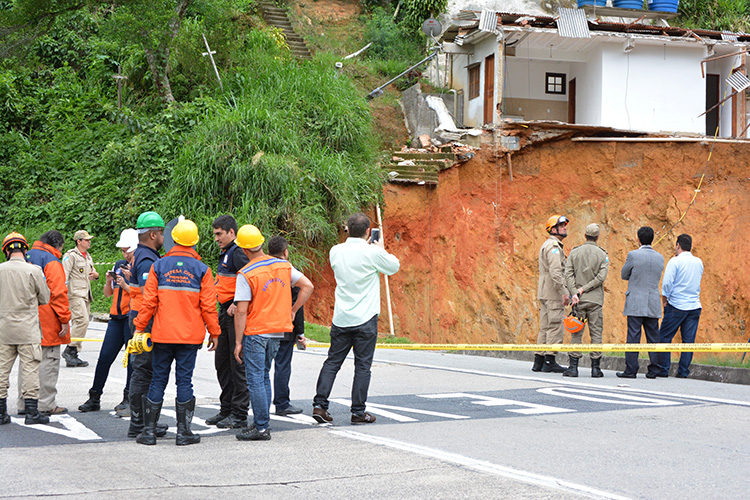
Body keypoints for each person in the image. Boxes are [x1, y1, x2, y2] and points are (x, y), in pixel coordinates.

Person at [134, 219, 220, 446]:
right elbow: (209, 306)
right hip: (189, 337)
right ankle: (184, 433)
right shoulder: (203, 270)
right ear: (194, 242)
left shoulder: (159, 266)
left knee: (158, 380)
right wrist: (214, 332)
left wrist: (139, 327)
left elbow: (149, 301)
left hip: (162, 335)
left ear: (174, 239)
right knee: (185, 381)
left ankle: (149, 432)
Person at [312, 213, 399, 425]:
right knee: (362, 367)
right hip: (366, 318)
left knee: (332, 362)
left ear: (347, 230)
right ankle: (358, 412)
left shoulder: (335, 251)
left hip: (342, 317)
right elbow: (393, 266)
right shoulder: (372, 253)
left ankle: (319, 406)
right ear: (368, 231)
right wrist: (379, 249)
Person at [233, 225, 314, 441]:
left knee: (256, 379)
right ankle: (262, 422)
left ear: (243, 250)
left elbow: (241, 312)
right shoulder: (283, 266)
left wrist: (238, 342)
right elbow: (308, 286)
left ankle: (261, 427)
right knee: (264, 375)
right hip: (278, 331)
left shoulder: (246, 273)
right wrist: (294, 310)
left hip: (256, 331)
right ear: (261, 243)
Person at [79, 229, 138, 414]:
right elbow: (107, 294)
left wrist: (127, 284)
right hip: (115, 319)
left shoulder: (141, 266)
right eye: (122, 250)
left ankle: (128, 398)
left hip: (130, 319)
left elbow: (142, 295)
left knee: (132, 361)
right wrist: (108, 281)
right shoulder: (120, 264)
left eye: (127, 250)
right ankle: (94, 397)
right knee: (104, 358)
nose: (125, 254)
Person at [0, 232, 51, 425]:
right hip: (27, 329)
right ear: (25, 249)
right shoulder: (34, 270)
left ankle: (1, 412)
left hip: (3, 329)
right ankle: (31, 413)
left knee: (1, 371)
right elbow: (45, 298)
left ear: (6, 250)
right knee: (30, 370)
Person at [19, 230, 71, 417]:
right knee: (48, 360)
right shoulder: (51, 261)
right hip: (47, 319)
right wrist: (64, 319)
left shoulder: (26, 256)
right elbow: (58, 293)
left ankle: (25, 402)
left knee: (28, 360)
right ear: (58, 244)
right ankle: (45, 403)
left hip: (24, 317)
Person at [126, 211, 168, 439]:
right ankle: (140, 422)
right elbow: (147, 293)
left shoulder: (144, 255)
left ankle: (142, 421)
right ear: (153, 234)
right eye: (161, 233)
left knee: (144, 370)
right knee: (143, 370)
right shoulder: (146, 260)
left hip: (141, 318)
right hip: (144, 320)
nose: (163, 237)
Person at [206, 215, 250, 429]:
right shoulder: (226, 253)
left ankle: (239, 414)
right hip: (224, 312)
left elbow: (250, 279)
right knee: (222, 363)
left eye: (219, 234)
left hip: (235, 314)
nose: (216, 238)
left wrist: (237, 302)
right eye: (215, 234)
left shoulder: (238, 252)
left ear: (232, 232)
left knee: (237, 363)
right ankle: (227, 409)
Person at [653, 234, 703, 379]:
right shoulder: (698, 262)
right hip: (694, 305)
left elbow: (667, 283)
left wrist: (664, 300)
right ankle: (683, 372)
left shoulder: (675, 261)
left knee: (664, 337)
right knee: (688, 342)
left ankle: (664, 369)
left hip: (676, 305)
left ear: (678, 245)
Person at [617, 227, 664, 379]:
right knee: (653, 337)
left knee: (633, 336)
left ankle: (631, 370)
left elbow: (624, 274)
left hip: (636, 300)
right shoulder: (660, 257)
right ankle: (654, 369)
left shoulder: (633, 255)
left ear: (638, 239)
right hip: (652, 300)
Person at [563, 223, 609, 378]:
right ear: (598, 237)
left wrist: (575, 292)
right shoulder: (602, 254)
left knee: (576, 333)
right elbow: (601, 278)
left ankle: (573, 368)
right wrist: (585, 289)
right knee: (596, 333)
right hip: (595, 300)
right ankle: (596, 369)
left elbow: (568, 274)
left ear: (585, 236)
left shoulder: (575, 252)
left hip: (578, 301)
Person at [268, 236, 307, 416]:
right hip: (284, 326)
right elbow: (298, 302)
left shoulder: (262, 269)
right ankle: (282, 404)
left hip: (264, 325)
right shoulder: (289, 271)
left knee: (262, 368)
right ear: (286, 252)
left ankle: (260, 404)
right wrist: (300, 331)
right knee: (282, 365)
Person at [533, 214, 570, 373]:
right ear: (553, 229)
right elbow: (556, 273)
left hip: (545, 291)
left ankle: (539, 361)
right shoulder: (554, 247)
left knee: (545, 327)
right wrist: (564, 292)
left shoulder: (547, 244)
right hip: (553, 292)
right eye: (561, 226)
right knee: (555, 327)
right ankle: (550, 361)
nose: (565, 228)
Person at [62, 230, 99, 367]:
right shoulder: (70, 256)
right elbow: (64, 275)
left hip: (85, 294)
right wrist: (63, 294)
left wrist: (96, 275)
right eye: (87, 240)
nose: (89, 242)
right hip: (75, 293)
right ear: (79, 241)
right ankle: (70, 349)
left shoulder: (88, 256)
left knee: (83, 322)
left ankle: (73, 352)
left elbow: (92, 272)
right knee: (81, 321)